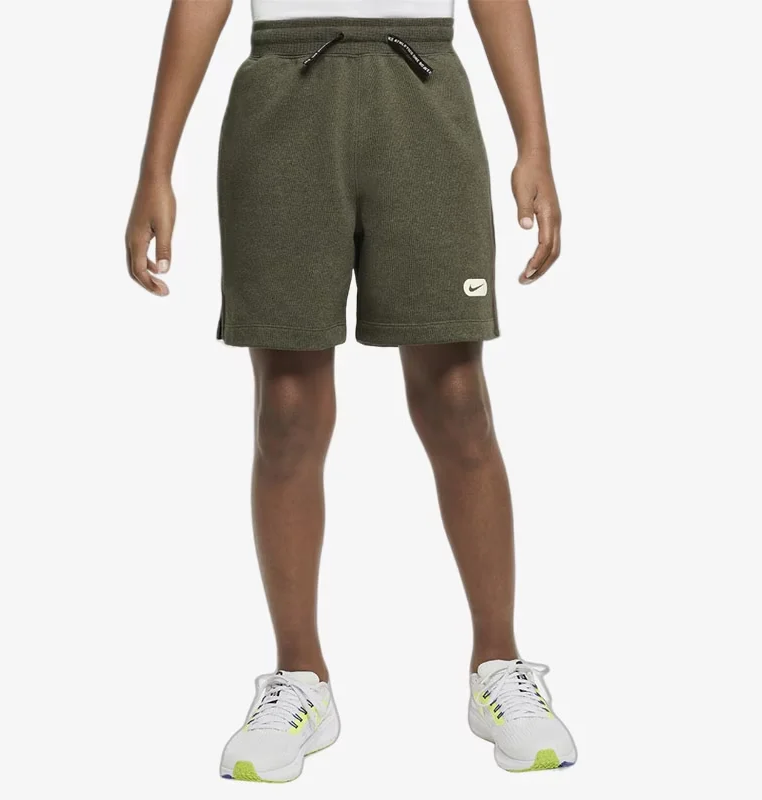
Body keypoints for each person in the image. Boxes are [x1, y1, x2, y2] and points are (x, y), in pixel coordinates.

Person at [125, 0, 575, 782]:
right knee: (287, 411)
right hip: (282, 96)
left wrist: (533, 143)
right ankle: (300, 677)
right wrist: (154, 168)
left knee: (457, 399)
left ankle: (499, 665)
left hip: (422, 92)